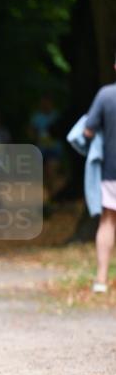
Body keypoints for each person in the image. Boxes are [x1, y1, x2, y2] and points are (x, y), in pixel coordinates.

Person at [83, 69, 116, 293]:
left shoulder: (106, 95)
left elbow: (87, 131)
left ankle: (101, 280)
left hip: (111, 170)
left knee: (108, 221)